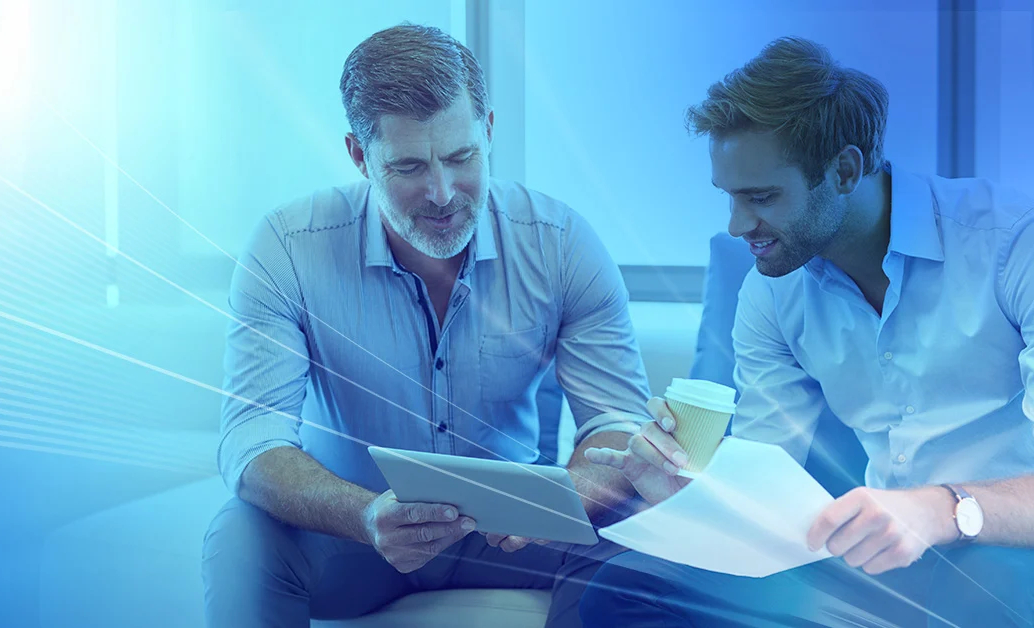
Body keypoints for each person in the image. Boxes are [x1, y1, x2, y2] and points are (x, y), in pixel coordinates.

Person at [201, 24, 651, 628]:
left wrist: (564, 496)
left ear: (488, 131)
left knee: (640, 526)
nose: (442, 192)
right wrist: (363, 516)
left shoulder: (562, 244)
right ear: (360, 156)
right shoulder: (288, 247)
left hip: (518, 537)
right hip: (357, 534)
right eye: (409, 166)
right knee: (239, 534)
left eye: (462, 157)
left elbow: (615, 424)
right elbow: (252, 440)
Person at [579, 37, 1034, 626]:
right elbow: (767, 476)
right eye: (731, 197)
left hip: (1007, 544)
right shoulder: (772, 289)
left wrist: (942, 511)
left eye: (762, 196)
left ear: (844, 169)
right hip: (877, 554)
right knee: (625, 590)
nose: (739, 225)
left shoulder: (1011, 245)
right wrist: (681, 494)